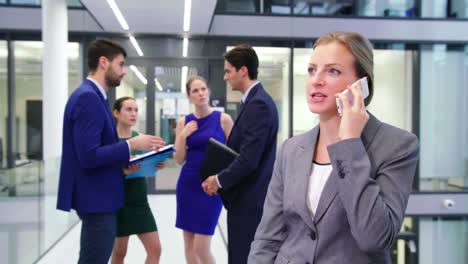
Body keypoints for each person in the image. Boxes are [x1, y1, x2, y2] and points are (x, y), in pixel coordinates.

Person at [248, 32, 419, 263]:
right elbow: (268, 238)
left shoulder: (397, 146)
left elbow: (374, 238)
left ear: (362, 84)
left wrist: (349, 143)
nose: (316, 80)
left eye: (333, 71)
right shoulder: (291, 148)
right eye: (311, 70)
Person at [56, 39, 165, 264]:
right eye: (121, 64)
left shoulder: (93, 97)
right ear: (103, 62)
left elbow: (95, 152)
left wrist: (125, 165)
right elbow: (88, 156)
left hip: (98, 196)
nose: (124, 71)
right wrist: (131, 145)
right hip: (96, 199)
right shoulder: (88, 98)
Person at [202, 44, 279, 264]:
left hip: (250, 201)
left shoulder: (259, 105)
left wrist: (218, 180)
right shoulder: (253, 102)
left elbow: (249, 159)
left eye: (228, 71)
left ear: (243, 71)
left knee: (243, 258)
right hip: (246, 199)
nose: (225, 78)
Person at [174, 76, 234, 264]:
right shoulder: (184, 122)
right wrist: (183, 136)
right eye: (195, 91)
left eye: (203, 89)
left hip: (211, 186)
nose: (200, 93)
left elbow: (234, 155)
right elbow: (178, 159)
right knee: (189, 245)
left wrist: (223, 180)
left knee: (201, 246)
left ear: (208, 91)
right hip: (188, 184)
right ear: (189, 96)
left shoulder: (223, 119)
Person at [110, 96, 163, 264]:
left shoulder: (140, 138)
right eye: (128, 109)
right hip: (119, 200)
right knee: (120, 252)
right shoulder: (110, 140)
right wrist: (123, 170)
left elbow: (146, 164)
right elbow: (104, 169)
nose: (133, 113)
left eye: (136, 110)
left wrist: (156, 163)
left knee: (155, 248)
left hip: (139, 200)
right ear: (116, 113)